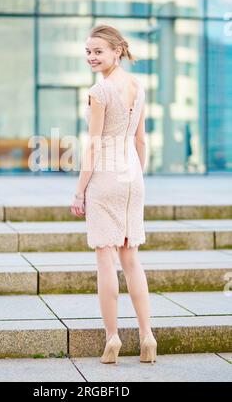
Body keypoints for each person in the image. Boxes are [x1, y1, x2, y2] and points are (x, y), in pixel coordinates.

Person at [70, 24, 157, 365]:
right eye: (88, 52)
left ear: (117, 51)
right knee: (131, 258)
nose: (91, 57)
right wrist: (137, 175)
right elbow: (141, 141)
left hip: (106, 177)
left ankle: (113, 338)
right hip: (133, 175)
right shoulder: (138, 86)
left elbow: (93, 146)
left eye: (98, 51)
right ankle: (148, 335)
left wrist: (79, 192)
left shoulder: (99, 91)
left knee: (105, 259)